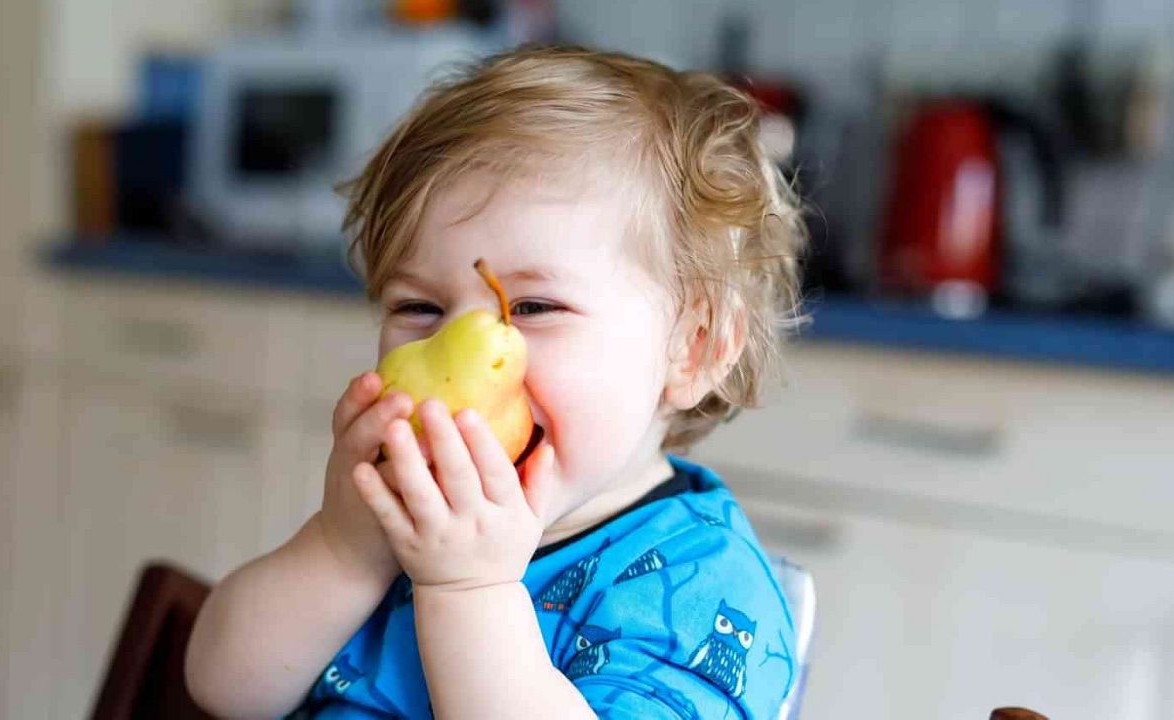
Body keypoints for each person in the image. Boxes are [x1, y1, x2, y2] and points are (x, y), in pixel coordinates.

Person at [185, 43, 809, 719]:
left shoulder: (700, 589)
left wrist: (470, 591)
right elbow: (223, 690)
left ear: (694, 349)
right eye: (417, 308)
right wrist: (340, 546)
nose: (459, 345)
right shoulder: (397, 521)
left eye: (533, 307)